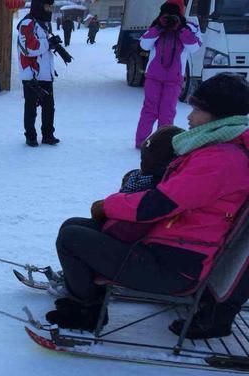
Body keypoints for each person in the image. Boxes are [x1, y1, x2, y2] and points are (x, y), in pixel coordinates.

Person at [45, 73, 249, 339]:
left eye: (197, 110)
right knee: (77, 226)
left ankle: (86, 311)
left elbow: (156, 205)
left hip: (173, 268)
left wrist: (108, 206)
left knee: (72, 238)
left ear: (220, 116)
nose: (189, 117)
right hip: (168, 248)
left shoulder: (220, 161)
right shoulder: (219, 150)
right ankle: (87, 295)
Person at [134, 0, 201, 149]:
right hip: (154, 76)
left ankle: (162, 144)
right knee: (149, 110)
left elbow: (194, 47)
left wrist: (180, 29)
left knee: (167, 111)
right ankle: (141, 142)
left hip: (174, 78)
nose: (170, 17)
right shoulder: (157, 25)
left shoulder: (189, 27)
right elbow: (144, 44)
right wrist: (158, 27)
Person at [17, 0, 60, 148]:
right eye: (47, 6)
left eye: (50, 7)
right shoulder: (27, 23)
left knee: (49, 106)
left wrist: (52, 44)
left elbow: (42, 49)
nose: (49, 9)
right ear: (39, 6)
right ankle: (31, 137)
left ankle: (48, 135)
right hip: (31, 74)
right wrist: (49, 44)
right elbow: (28, 48)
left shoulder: (44, 23)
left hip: (46, 74)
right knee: (31, 107)